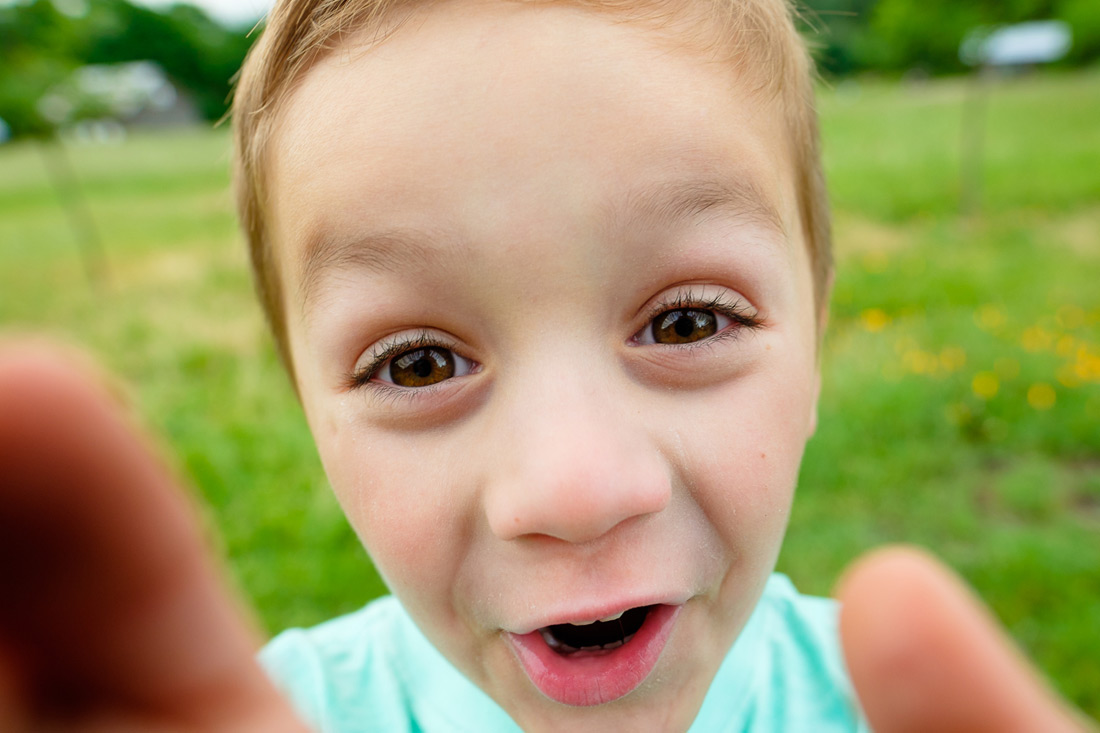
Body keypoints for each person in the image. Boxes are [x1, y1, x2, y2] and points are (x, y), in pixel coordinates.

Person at [0, 0, 1091, 731]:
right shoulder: (273, 712)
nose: (572, 490)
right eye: (418, 363)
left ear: (814, 342)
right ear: (306, 413)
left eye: (684, 324)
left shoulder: (889, 707)